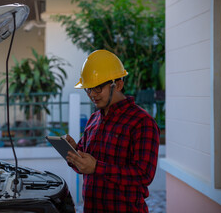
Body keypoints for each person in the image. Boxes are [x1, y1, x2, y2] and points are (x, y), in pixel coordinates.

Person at [65, 50, 160, 213]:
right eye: (88, 89)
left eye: (98, 88)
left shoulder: (142, 122)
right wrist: (74, 154)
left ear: (119, 85)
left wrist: (97, 167)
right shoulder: (94, 119)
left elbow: (144, 175)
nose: (92, 95)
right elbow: (84, 167)